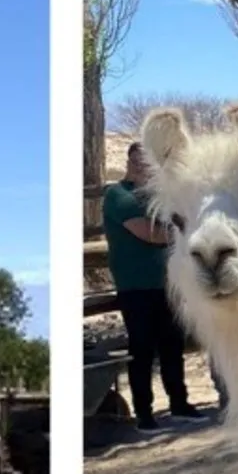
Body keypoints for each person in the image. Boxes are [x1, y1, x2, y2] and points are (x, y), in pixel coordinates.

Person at [102, 142, 207, 432]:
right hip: (136, 286)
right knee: (142, 350)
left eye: (148, 162)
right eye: (138, 161)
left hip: (168, 284)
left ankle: (180, 403)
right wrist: (185, 235)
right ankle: (144, 413)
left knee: (173, 346)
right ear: (129, 162)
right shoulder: (118, 195)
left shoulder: (162, 196)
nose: (142, 166)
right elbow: (149, 234)